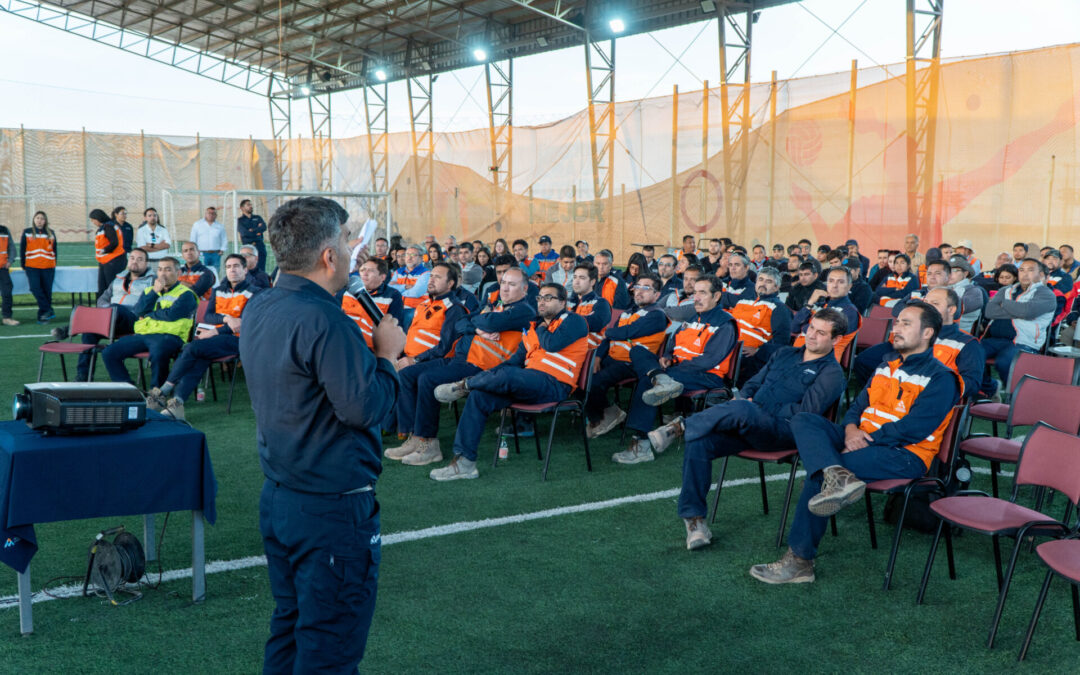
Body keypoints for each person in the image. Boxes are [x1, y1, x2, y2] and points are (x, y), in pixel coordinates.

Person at [240, 197, 404, 672]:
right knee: (329, 644)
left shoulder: (261, 305)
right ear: (329, 256)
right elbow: (365, 408)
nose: (354, 252)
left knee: (291, 627)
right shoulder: (325, 320)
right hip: (330, 508)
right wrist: (387, 355)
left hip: (281, 496)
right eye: (348, 241)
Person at [750, 302, 960, 584]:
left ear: (927, 333)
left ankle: (800, 562)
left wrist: (865, 440)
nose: (896, 328)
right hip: (864, 439)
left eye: (906, 323)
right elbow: (857, 405)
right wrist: (850, 430)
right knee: (804, 421)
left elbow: (916, 428)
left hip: (905, 454)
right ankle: (838, 476)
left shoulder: (942, 378)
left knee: (820, 474)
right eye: (896, 322)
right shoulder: (887, 364)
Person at [647, 310, 846, 550]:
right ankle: (695, 520)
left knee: (742, 409)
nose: (811, 335)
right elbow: (752, 383)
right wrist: (749, 401)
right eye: (811, 328)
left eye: (821, 332)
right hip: (748, 423)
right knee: (700, 440)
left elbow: (806, 412)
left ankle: (681, 426)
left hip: (783, 433)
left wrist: (756, 408)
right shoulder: (783, 353)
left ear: (836, 340)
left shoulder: (832, 373)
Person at [428, 282, 589, 481]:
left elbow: (552, 344)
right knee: (481, 396)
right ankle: (464, 463)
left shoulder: (574, 320)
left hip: (555, 385)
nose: (542, 302)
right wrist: (488, 377)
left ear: (563, 302)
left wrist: (539, 326)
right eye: (539, 298)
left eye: (549, 298)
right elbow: (514, 361)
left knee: (509, 375)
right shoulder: (531, 329)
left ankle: (465, 385)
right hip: (528, 383)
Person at [388, 266, 536, 467]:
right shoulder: (497, 305)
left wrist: (480, 323)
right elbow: (461, 323)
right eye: (503, 283)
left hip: (481, 365)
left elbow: (489, 321)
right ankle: (414, 436)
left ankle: (429, 443)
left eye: (512, 284)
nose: (505, 288)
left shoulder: (524, 310)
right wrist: (479, 328)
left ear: (525, 289)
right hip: (462, 358)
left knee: (427, 379)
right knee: (407, 374)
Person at [609, 275, 739, 464]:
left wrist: (674, 368)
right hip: (678, 370)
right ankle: (659, 378)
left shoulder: (725, 323)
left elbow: (709, 360)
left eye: (702, 293)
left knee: (647, 382)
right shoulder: (693, 317)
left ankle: (642, 445)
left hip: (706, 376)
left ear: (717, 296)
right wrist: (668, 357)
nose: (696, 297)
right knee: (638, 351)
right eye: (695, 293)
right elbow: (673, 342)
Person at [146, 254, 260, 419]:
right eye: (228, 267)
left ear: (245, 269)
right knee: (199, 359)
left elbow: (243, 322)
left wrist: (215, 331)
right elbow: (209, 316)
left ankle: (164, 389)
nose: (232, 270)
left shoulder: (255, 292)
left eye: (236, 266)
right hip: (216, 339)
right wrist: (226, 318)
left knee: (192, 347)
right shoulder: (218, 290)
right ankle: (177, 403)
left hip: (240, 340)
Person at [584, 274, 669, 438]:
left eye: (646, 288)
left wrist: (608, 331)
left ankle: (603, 415)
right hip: (612, 358)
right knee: (581, 372)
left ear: (657, 295)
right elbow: (609, 338)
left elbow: (627, 332)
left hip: (632, 363)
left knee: (594, 381)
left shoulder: (657, 315)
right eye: (638, 287)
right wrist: (598, 357)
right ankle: (607, 412)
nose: (639, 291)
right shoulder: (628, 312)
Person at [101, 256, 198, 388]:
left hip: (170, 336)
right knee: (109, 352)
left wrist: (150, 314)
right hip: (144, 335)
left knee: (158, 353)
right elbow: (139, 312)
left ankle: (157, 392)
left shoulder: (186, 294)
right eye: (160, 269)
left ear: (178, 273)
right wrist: (154, 292)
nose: (163, 273)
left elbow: (171, 315)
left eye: (168, 269)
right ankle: (127, 388)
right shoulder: (149, 291)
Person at [73, 249, 156, 381]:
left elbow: (151, 303)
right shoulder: (118, 278)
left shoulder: (153, 280)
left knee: (117, 308)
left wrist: (111, 310)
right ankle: (83, 375)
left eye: (140, 259)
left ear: (147, 263)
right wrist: (107, 311)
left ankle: (71, 328)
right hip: (110, 320)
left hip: (134, 320)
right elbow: (102, 299)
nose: (135, 262)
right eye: (132, 258)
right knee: (89, 333)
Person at [979, 258, 1056, 398]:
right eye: (1021, 270)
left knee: (1005, 362)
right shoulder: (1006, 290)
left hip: (1023, 342)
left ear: (1040, 274)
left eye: (1031, 270)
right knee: (969, 353)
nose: (1025, 274)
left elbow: (1027, 311)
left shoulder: (1046, 294)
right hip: (995, 339)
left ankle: (1017, 398)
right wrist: (1018, 310)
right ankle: (991, 387)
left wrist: (1004, 304)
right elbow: (989, 311)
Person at [727, 266, 792, 382]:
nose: (763, 284)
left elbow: (782, 342)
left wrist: (758, 351)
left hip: (749, 356)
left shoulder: (779, 308)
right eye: (761, 279)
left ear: (776, 287)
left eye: (769, 281)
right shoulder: (742, 301)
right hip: (727, 346)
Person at [397, 262, 468, 369]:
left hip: (427, 363)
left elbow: (445, 347)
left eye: (438, 277)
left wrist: (415, 360)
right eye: (431, 276)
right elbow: (411, 333)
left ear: (450, 284)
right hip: (407, 358)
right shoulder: (423, 304)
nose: (431, 280)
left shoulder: (454, 309)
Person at [791, 266, 861, 361]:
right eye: (831, 281)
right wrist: (810, 303)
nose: (834, 285)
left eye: (840, 282)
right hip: (800, 354)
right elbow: (794, 328)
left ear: (849, 286)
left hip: (821, 361)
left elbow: (824, 334)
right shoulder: (821, 304)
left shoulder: (850, 311)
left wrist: (804, 327)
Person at [342, 256, 405, 350]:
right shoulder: (349, 289)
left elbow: (392, 331)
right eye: (362, 269)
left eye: (370, 270)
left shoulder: (392, 296)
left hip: (367, 348)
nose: (364, 274)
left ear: (382, 277)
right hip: (342, 340)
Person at [20, 210, 57, 323]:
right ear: (34, 220)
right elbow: (22, 249)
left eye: (42, 218)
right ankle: (48, 310)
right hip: (32, 266)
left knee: (47, 291)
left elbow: (55, 250)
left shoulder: (51, 232)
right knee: (35, 288)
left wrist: (54, 263)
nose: (39, 220)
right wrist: (23, 264)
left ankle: (43, 317)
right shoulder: (27, 232)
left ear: (45, 221)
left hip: (48, 266)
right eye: (37, 218)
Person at [568, 262, 613, 349]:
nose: (576, 282)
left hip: (585, 352)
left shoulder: (601, 303)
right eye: (574, 277)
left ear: (592, 282)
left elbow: (594, 324)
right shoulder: (567, 302)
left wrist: (565, 320)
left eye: (582, 278)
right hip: (565, 347)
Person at [388, 244, 431, 323]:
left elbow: (416, 293)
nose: (409, 257)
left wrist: (397, 289)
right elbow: (390, 289)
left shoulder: (426, 273)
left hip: (416, 308)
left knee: (406, 317)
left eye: (413, 255)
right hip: (398, 306)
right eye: (407, 254)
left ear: (421, 258)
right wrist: (404, 287)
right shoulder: (398, 272)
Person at [944, 255, 986, 332]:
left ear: (966, 273)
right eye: (948, 270)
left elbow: (955, 310)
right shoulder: (944, 288)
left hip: (959, 333)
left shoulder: (974, 291)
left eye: (955, 270)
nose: (949, 273)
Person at [93, 207, 126, 297]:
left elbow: (114, 242)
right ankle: (102, 307)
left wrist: (103, 250)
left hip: (112, 260)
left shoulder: (108, 226)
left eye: (93, 220)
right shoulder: (108, 226)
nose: (93, 223)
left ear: (98, 218)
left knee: (109, 287)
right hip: (107, 260)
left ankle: (111, 307)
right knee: (103, 287)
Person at [189, 206, 227, 272]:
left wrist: (222, 250)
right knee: (201, 272)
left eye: (213, 213)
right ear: (205, 214)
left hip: (216, 254)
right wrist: (194, 251)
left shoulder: (220, 226)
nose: (211, 215)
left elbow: (224, 238)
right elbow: (193, 239)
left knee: (215, 272)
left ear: (216, 215)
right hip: (201, 254)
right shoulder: (197, 224)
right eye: (209, 213)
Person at [1042, 248, 1074, 324]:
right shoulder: (1038, 275)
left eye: (1054, 258)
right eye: (1048, 258)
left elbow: (1056, 294)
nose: (1050, 261)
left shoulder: (1066, 277)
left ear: (1061, 262)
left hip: (1055, 314)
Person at [237, 199, 268, 272]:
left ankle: (261, 283)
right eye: (248, 205)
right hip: (248, 248)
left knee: (261, 269)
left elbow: (264, 227)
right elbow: (244, 233)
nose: (251, 206)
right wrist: (257, 230)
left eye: (251, 205)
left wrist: (252, 230)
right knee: (248, 269)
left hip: (260, 246)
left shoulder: (258, 217)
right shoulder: (240, 220)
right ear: (242, 208)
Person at [0, 223, 18, 326]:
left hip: (2, 268)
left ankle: (7, 317)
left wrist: (10, 260)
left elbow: (11, 247)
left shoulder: (4, 230)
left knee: (7, 291)